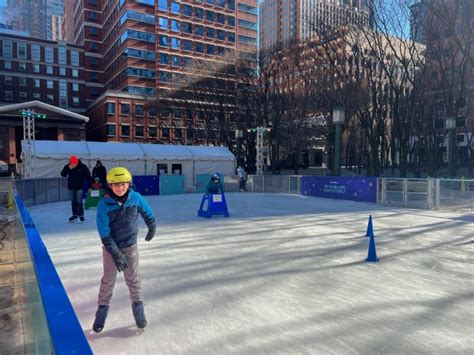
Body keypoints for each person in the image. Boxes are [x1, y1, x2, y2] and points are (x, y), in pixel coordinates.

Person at [93, 167, 156, 333]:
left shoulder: (135, 198)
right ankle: (102, 311)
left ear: (129, 184)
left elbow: (147, 211)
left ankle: (138, 308)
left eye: (123, 184)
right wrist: (115, 254)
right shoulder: (104, 205)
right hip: (110, 248)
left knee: (133, 279)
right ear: (109, 186)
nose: (119, 188)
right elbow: (104, 233)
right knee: (108, 280)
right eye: (115, 185)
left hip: (130, 246)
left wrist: (152, 226)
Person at [60, 155, 91, 222]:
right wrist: (68, 168)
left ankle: (81, 215)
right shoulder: (68, 166)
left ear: (77, 162)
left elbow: (88, 176)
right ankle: (75, 215)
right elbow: (63, 174)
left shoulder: (83, 167)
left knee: (79, 201)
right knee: (73, 201)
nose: (73, 165)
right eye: (71, 163)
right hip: (71, 187)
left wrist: (88, 184)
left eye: (74, 163)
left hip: (79, 187)